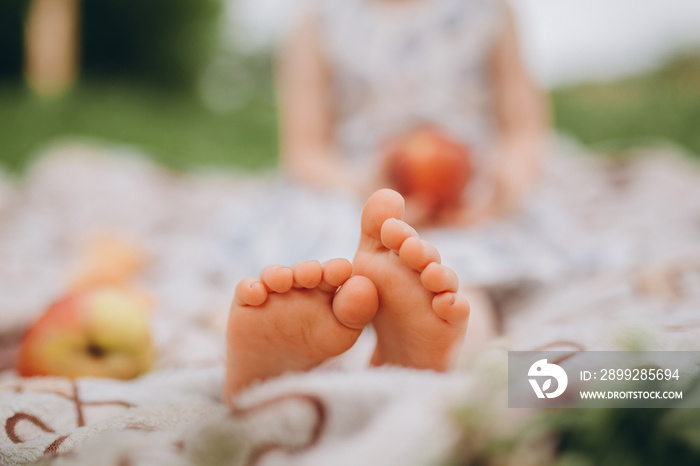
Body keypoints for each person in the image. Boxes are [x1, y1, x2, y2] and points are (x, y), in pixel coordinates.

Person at [277, 0, 548, 227]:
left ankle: (445, 287)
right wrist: (364, 188)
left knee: (511, 229)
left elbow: (523, 130)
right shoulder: (322, 17)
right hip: (355, 190)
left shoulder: (486, 9)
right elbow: (305, 150)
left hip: (478, 197)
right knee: (334, 231)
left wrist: (507, 185)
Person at [224, 189, 470, 399]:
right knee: (456, 291)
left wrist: (493, 202)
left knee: (450, 291)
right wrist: (363, 180)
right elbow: (308, 155)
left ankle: (263, 386)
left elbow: (511, 155)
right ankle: (440, 364)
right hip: (341, 198)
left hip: (465, 216)